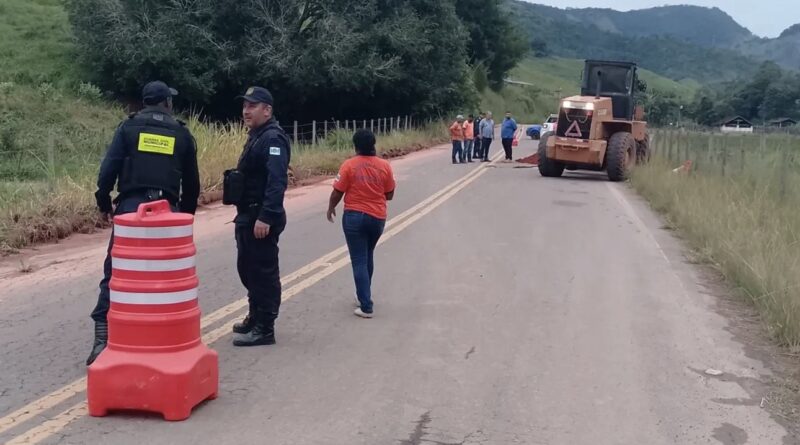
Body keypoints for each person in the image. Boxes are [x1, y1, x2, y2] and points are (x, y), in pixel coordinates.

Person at [86, 81, 200, 366]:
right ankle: (159, 335)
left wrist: (104, 204)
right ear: (166, 103)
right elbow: (193, 184)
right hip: (167, 212)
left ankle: (103, 338)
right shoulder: (181, 133)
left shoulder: (127, 128)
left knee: (118, 272)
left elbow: (108, 169)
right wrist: (183, 219)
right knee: (166, 277)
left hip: (130, 210)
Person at [226, 86, 291, 347]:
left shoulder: (273, 138)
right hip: (247, 214)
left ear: (267, 110)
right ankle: (255, 316)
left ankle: (265, 327)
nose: (246, 111)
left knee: (263, 272)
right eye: (245, 106)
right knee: (248, 269)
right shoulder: (257, 135)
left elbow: (277, 182)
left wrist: (266, 216)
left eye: (252, 106)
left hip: (260, 216)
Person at [327, 129, 396, 318]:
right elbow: (389, 194)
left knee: (358, 259)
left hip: (354, 217)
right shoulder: (384, 166)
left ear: (355, 146)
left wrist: (330, 207)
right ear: (374, 144)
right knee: (368, 255)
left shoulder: (349, 165)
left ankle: (366, 305)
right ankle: (363, 294)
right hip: (377, 217)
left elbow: (337, 192)